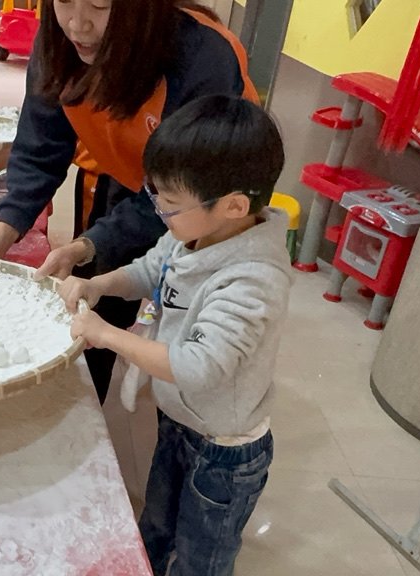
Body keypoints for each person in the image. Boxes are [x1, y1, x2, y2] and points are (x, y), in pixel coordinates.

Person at [0, 0, 257, 402]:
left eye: (99, 5)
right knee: (95, 293)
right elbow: (40, 148)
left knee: (186, 321)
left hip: (204, 198)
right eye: (64, 1)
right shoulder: (58, 43)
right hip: (125, 173)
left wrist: (94, 243)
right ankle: (85, 398)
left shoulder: (202, 59)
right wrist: (3, 233)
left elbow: (183, 197)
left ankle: (181, 411)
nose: (78, 25)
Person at [58, 95, 289, 576]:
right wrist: (98, 284)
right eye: (156, 196)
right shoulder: (195, 234)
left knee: (202, 555)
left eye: (171, 206)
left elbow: (197, 367)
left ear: (234, 205)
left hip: (223, 451)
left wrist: (106, 334)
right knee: (157, 525)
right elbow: (150, 270)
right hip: (180, 420)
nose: (160, 211)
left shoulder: (252, 281)